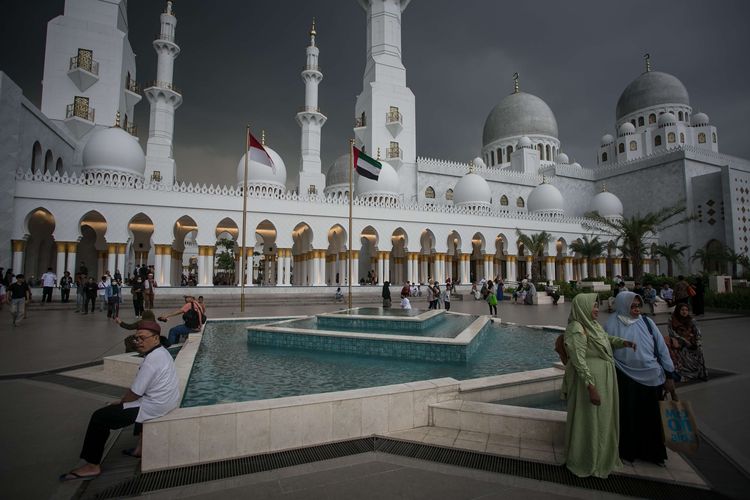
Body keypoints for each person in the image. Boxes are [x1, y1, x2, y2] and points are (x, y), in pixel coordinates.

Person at [59, 320, 179, 481]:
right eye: (137, 338)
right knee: (134, 406)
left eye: (142, 338)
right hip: (166, 401)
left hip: (155, 405)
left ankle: (92, 465)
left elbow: (135, 393)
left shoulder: (151, 361)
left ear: (156, 338)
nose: (138, 342)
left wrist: (121, 402)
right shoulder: (162, 352)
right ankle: (140, 449)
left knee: (99, 417)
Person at [562, 293, 635, 478]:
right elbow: (578, 360)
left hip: (604, 378)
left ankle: (603, 456)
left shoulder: (592, 325)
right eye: (594, 306)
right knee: (590, 420)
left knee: (603, 418)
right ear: (583, 307)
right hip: (591, 382)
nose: (597, 309)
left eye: (597, 306)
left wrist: (622, 342)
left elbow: (605, 338)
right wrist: (590, 386)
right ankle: (586, 458)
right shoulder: (576, 329)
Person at [606, 291, 675, 466]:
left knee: (651, 417)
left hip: (651, 376)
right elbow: (605, 349)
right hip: (624, 376)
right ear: (623, 306)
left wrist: (669, 374)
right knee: (628, 415)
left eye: (638, 306)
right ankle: (628, 451)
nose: (637, 309)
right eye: (632, 306)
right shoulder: (611, 324)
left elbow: (661, 349)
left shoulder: (647, 322)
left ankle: (653, 453)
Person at [666, 303, 708, 381]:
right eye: (682, 310)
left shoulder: (692, 320)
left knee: (699, 350)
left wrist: (697, 343)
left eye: (686, 310)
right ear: (678, 310)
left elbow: (698, 332)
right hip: (679, 343)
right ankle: (685, 374)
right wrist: (684, 341)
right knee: (682, 351)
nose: (684, 312)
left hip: (691, 342)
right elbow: (672, 333)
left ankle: (699, 373)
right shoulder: (672, 320)